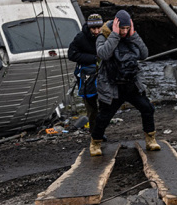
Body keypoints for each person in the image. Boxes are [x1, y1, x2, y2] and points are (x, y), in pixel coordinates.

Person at [89, 9, 160, 156]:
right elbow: (103, 54)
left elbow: (144, 54)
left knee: (147, 108)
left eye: (127, 28)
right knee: (104, 116)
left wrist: (134, 35)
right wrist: (114, 35)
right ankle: (95, 143)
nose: (124, 31)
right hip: (112, 85)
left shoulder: (130, 37)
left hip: (131, 83)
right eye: (122, 28)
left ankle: (150, 140)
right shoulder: (103, 36)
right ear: (116, 26)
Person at [68, 13, 103, 126]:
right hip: (86, 76)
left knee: (104, 104)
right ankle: (94, 132)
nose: (96, 31)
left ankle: (100, 129)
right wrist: (93, 58)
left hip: (102, 74)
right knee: (91, 107)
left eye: (99, 28)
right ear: (89, 27)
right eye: (94, 28)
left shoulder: (105, 36)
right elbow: (72, 55)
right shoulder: (80, 38)